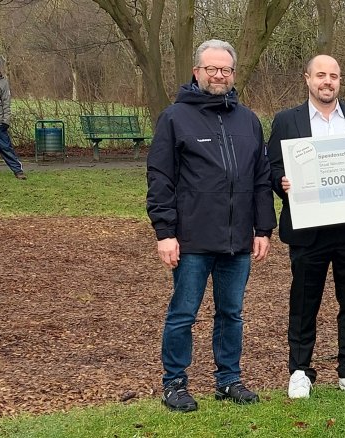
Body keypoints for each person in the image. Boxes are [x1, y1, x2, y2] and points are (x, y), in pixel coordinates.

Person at [146, 39, 276, 413]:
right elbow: (160, 178)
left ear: (233, 74)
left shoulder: (248, 120)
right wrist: (165, 232)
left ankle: (228, 379)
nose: (219, 75)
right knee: (183, 313)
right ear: (197, 72)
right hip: (192, 239)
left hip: (238, 239)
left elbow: (260, 177)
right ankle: (174, 383)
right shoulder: (175, 117)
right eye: (211, 69)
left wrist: (263, 229)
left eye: (226, 70)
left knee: (231, 313)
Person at [267, 54, 345, 399]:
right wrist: (281, 181)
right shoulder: (287, 120)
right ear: (307, 79)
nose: (327, 82)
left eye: (334, 76)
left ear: (340, 81)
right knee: (304, 301)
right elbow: (270, 167)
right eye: (321, 76)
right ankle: (300, 370)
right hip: (308, 228)